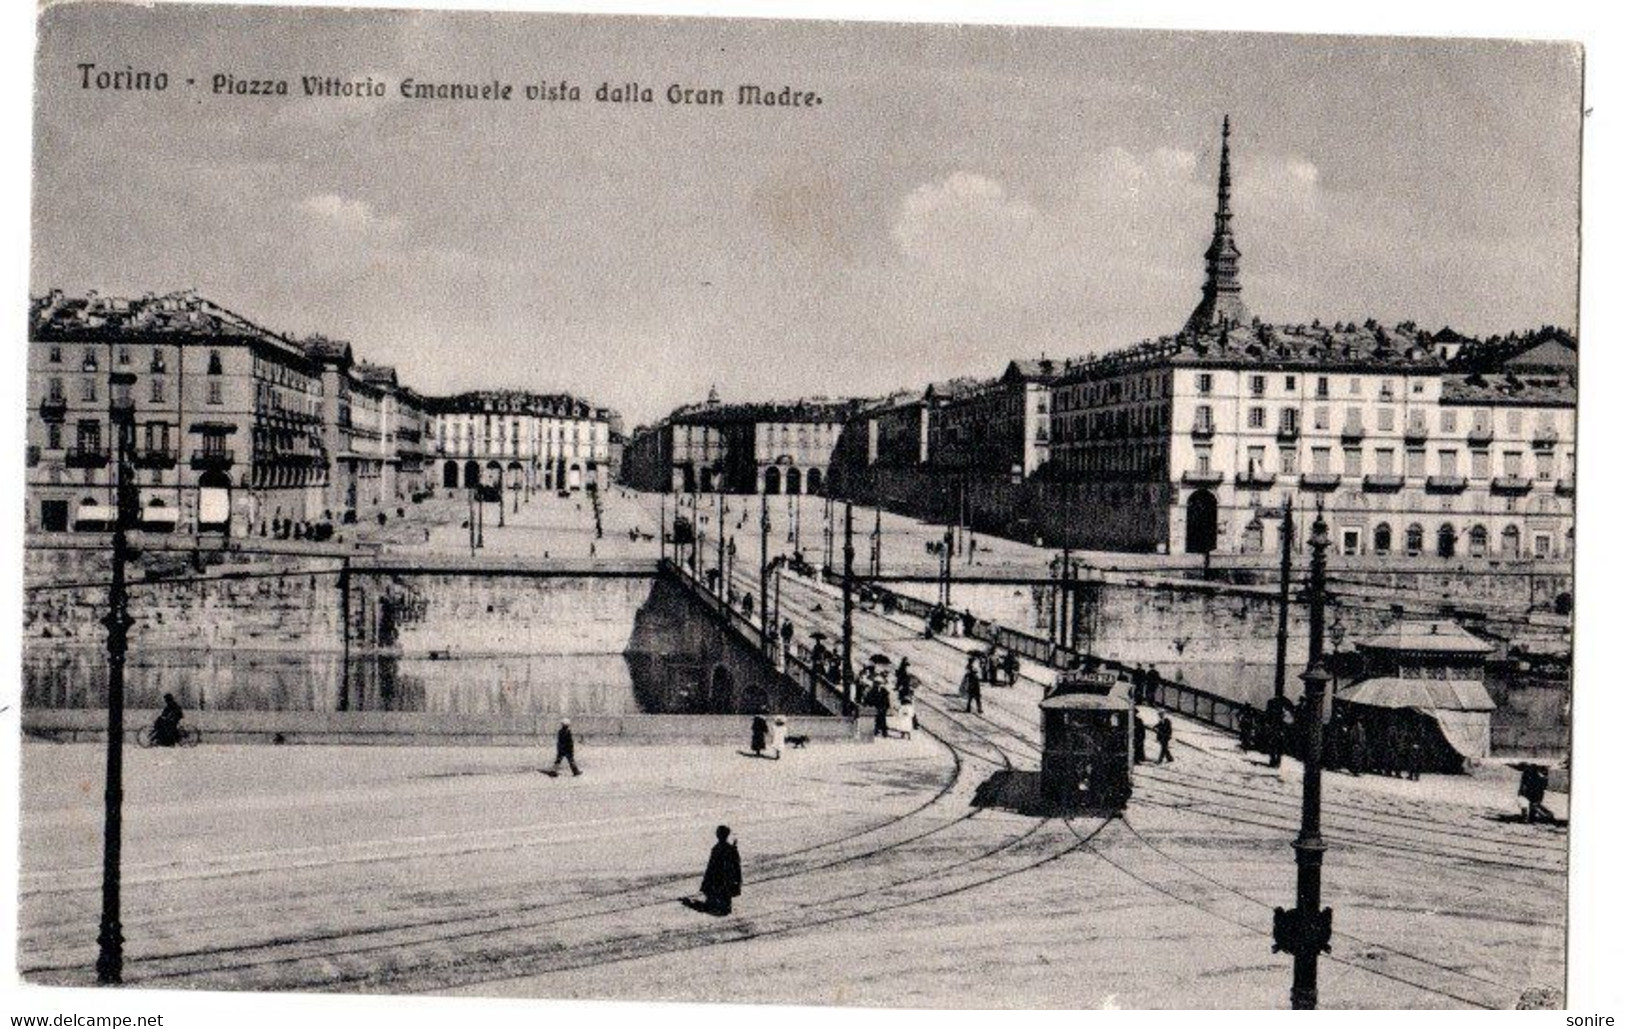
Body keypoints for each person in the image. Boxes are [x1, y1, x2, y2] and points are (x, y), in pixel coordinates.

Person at [699, 825, 743, 915]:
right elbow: (736, 865)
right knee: (724, 895)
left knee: (718, 894)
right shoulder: (729, 849)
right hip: (726, 878)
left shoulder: (717, 849)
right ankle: (723, 907)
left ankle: (718, 907)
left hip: (718, 878)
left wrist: (705, 883)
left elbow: (711, 867)